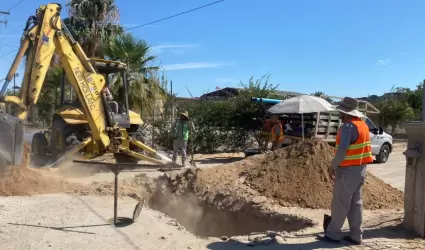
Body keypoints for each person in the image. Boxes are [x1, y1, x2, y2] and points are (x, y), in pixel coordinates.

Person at [318, 97, 373, 245]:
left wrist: (332, 166)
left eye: (340, 112)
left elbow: (342, 150)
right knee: (356, 204)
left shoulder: (348, 127)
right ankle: (356, 235)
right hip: (360, 170)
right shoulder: (364, 126)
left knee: (340, 203)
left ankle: (333, 234)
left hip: (347, 171)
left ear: (345, 112)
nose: (339, 115)